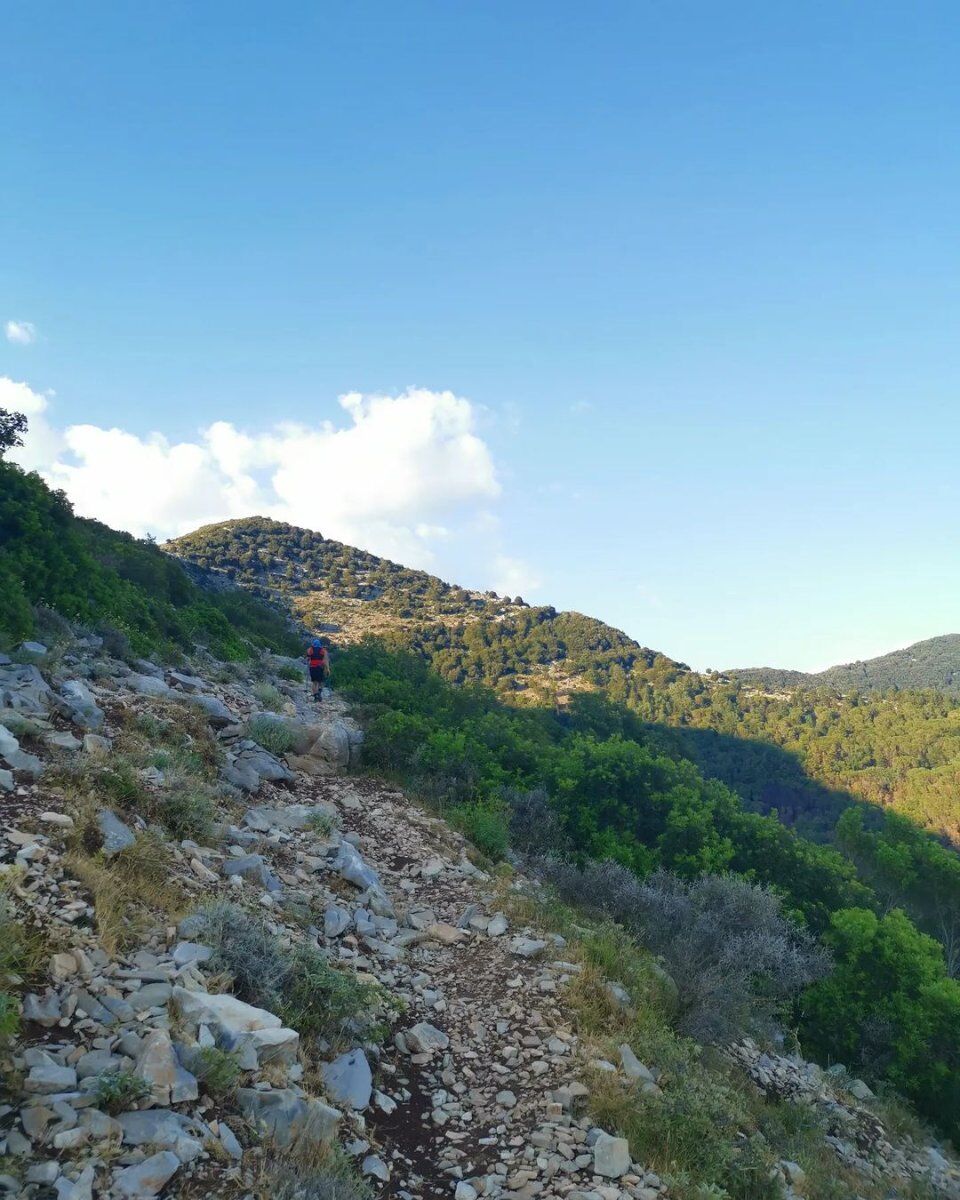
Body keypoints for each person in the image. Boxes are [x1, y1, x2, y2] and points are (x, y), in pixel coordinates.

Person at [306, 638, 330, 703]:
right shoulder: (323, 650)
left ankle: (315, 696)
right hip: (320, 667)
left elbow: (308, 658)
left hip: (312, 667)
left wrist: (309, 660)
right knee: (320, 681)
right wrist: (327, 669)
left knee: (314, 682)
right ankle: (319, 691)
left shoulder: (310, 650)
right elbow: (325, 661)